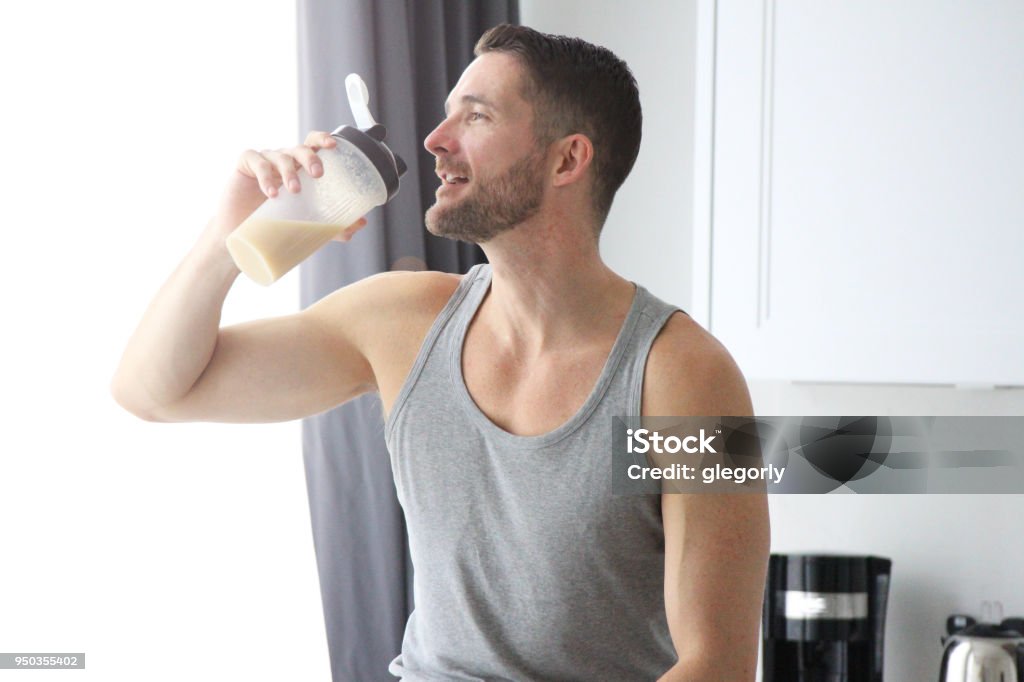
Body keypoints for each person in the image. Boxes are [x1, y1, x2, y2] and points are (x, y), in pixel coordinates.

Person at [111, 24, 769, 682]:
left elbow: (721, 663)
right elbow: (153, 391)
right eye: (448, 111)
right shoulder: (402, 322)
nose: (434, 140)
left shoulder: (685, 375)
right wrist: (225, 237)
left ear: (566, 160)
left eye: (475, 115)